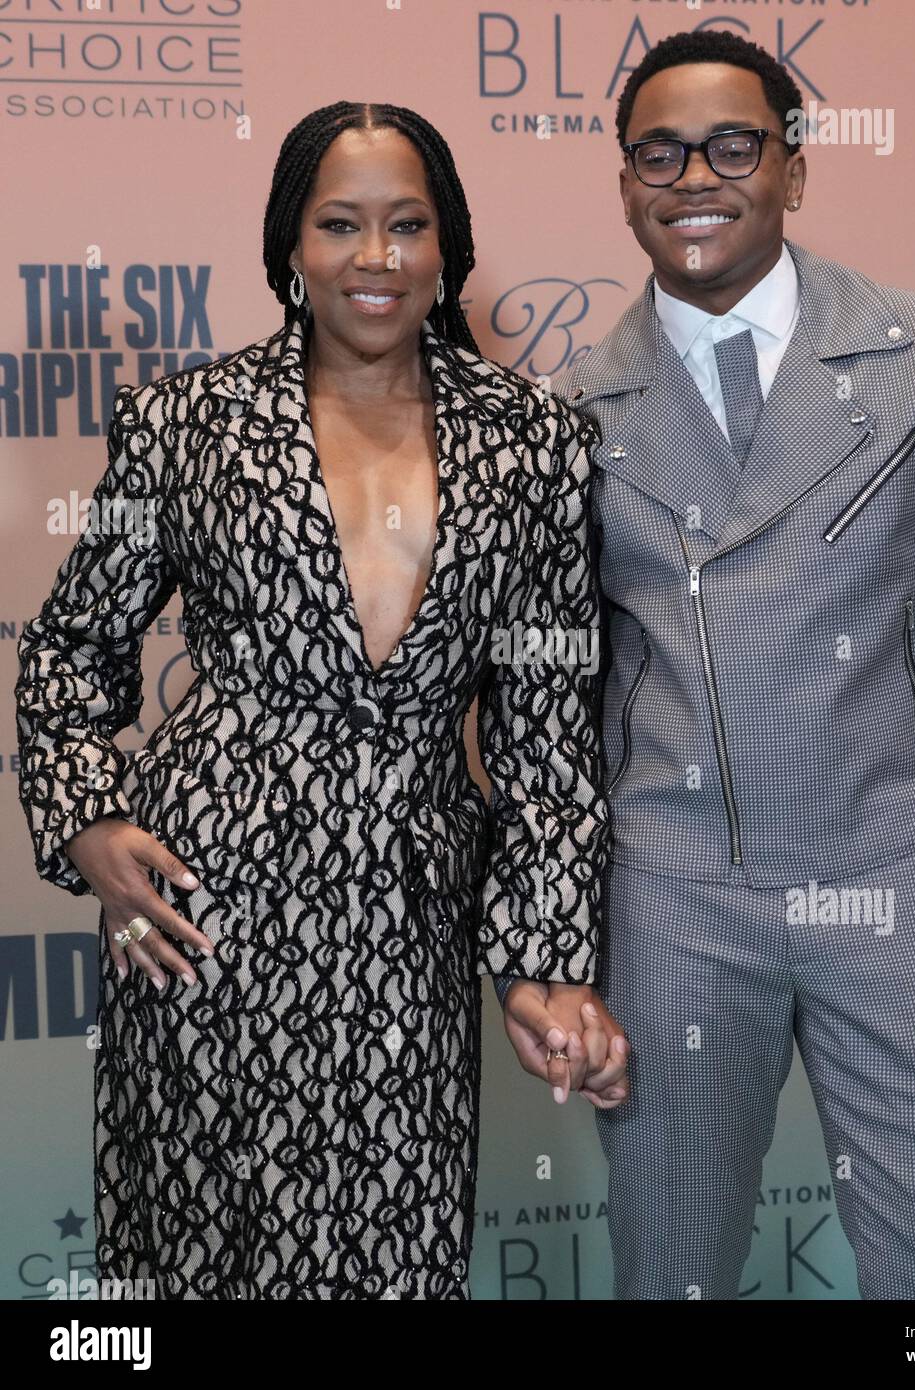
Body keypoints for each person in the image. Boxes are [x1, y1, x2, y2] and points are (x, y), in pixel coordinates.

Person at [13, 100, 627, 1301]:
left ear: (446, 241)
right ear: (289, 248)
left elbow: (546, 732)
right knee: (198, 1245)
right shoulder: (183, 423)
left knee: (396, 1253)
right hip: (203, 911)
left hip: (408, 916)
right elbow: (71, 650)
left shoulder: (536, 442)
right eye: (338, 224)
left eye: (406, 224)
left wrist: (543, 958)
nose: (376, 256)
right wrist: (87, 820)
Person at [543, 30, 915, 1299]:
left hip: (892, 888)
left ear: (792, 168)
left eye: (732, 146)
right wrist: (554, 936)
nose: (694, 178)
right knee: (672, 1266)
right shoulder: (572, 405)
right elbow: (559, 695)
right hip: (671, 901)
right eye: (657, 153)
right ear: (622, 183)